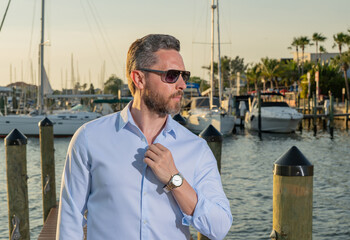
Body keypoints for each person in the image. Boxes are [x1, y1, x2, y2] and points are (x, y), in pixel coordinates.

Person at [56, 34, 232, 240]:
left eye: (184, 75)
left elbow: (219, 227)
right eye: (172, 75)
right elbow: (70, 221)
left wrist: (175, 179)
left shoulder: (196, 148)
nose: (182, 84)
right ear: (139, 78)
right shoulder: (89, 138)